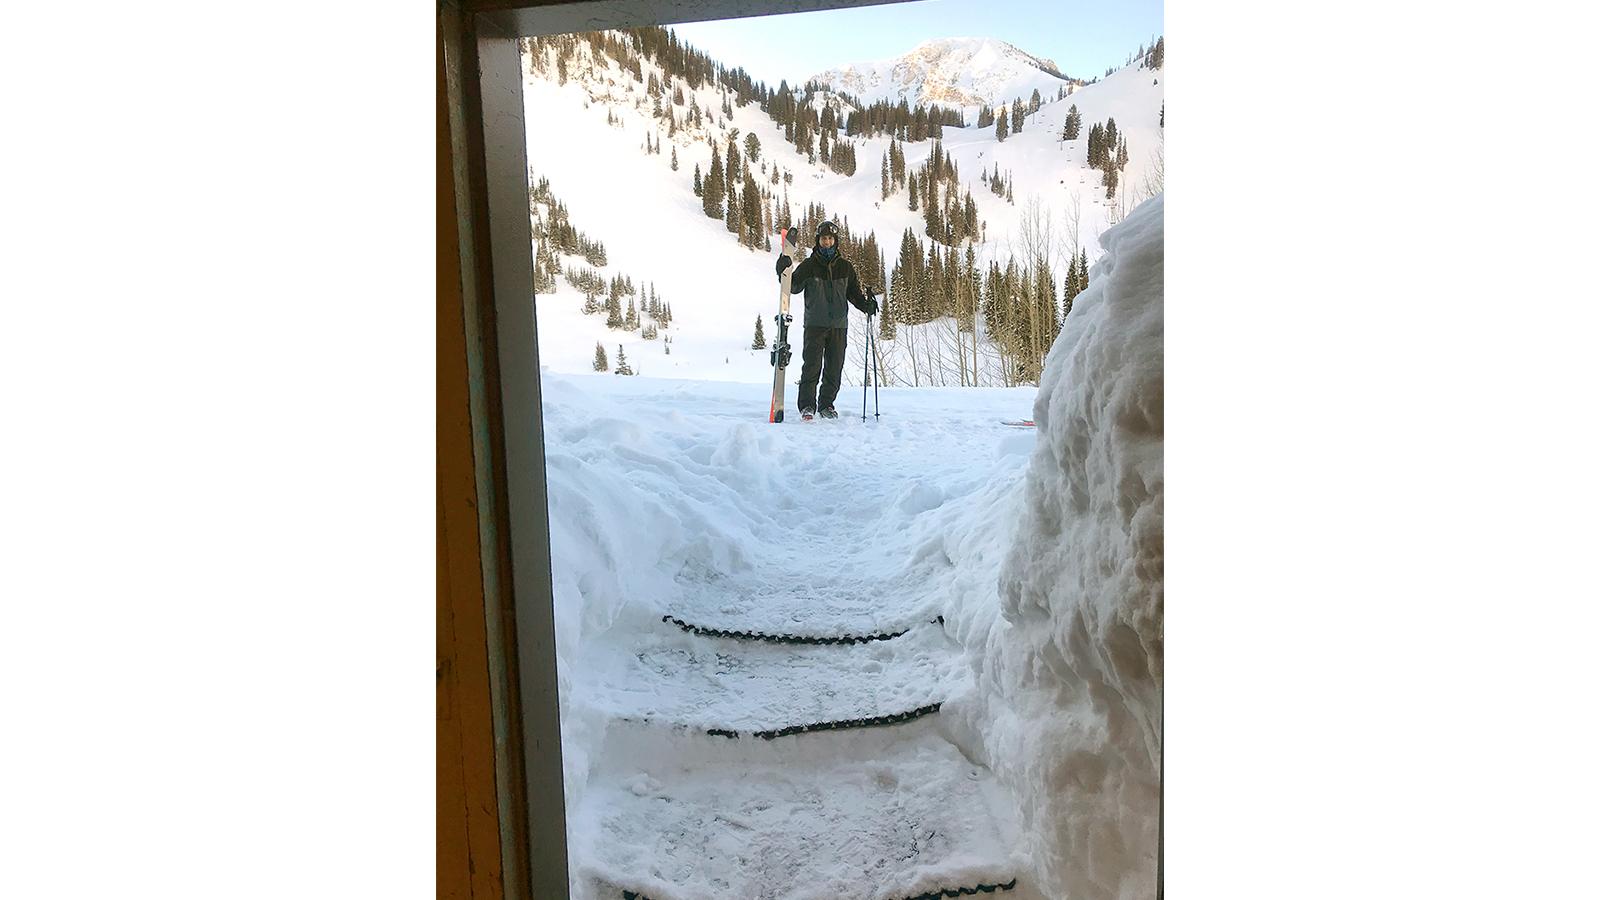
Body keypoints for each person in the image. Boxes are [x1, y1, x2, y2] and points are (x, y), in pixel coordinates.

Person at [774, 221, 878, 419]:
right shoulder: (809, 266)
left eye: (830, 239)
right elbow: (792, 287)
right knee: (811, 366)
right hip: (815, 324)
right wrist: (782, 270)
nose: (827, 242)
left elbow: (854, 294)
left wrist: (866, 306)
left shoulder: (845, 267)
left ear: (835, 241)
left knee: (834, 367)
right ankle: (807, 406)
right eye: (824, 239)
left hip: (839, 326)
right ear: (818, 241)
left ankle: (826, 405)